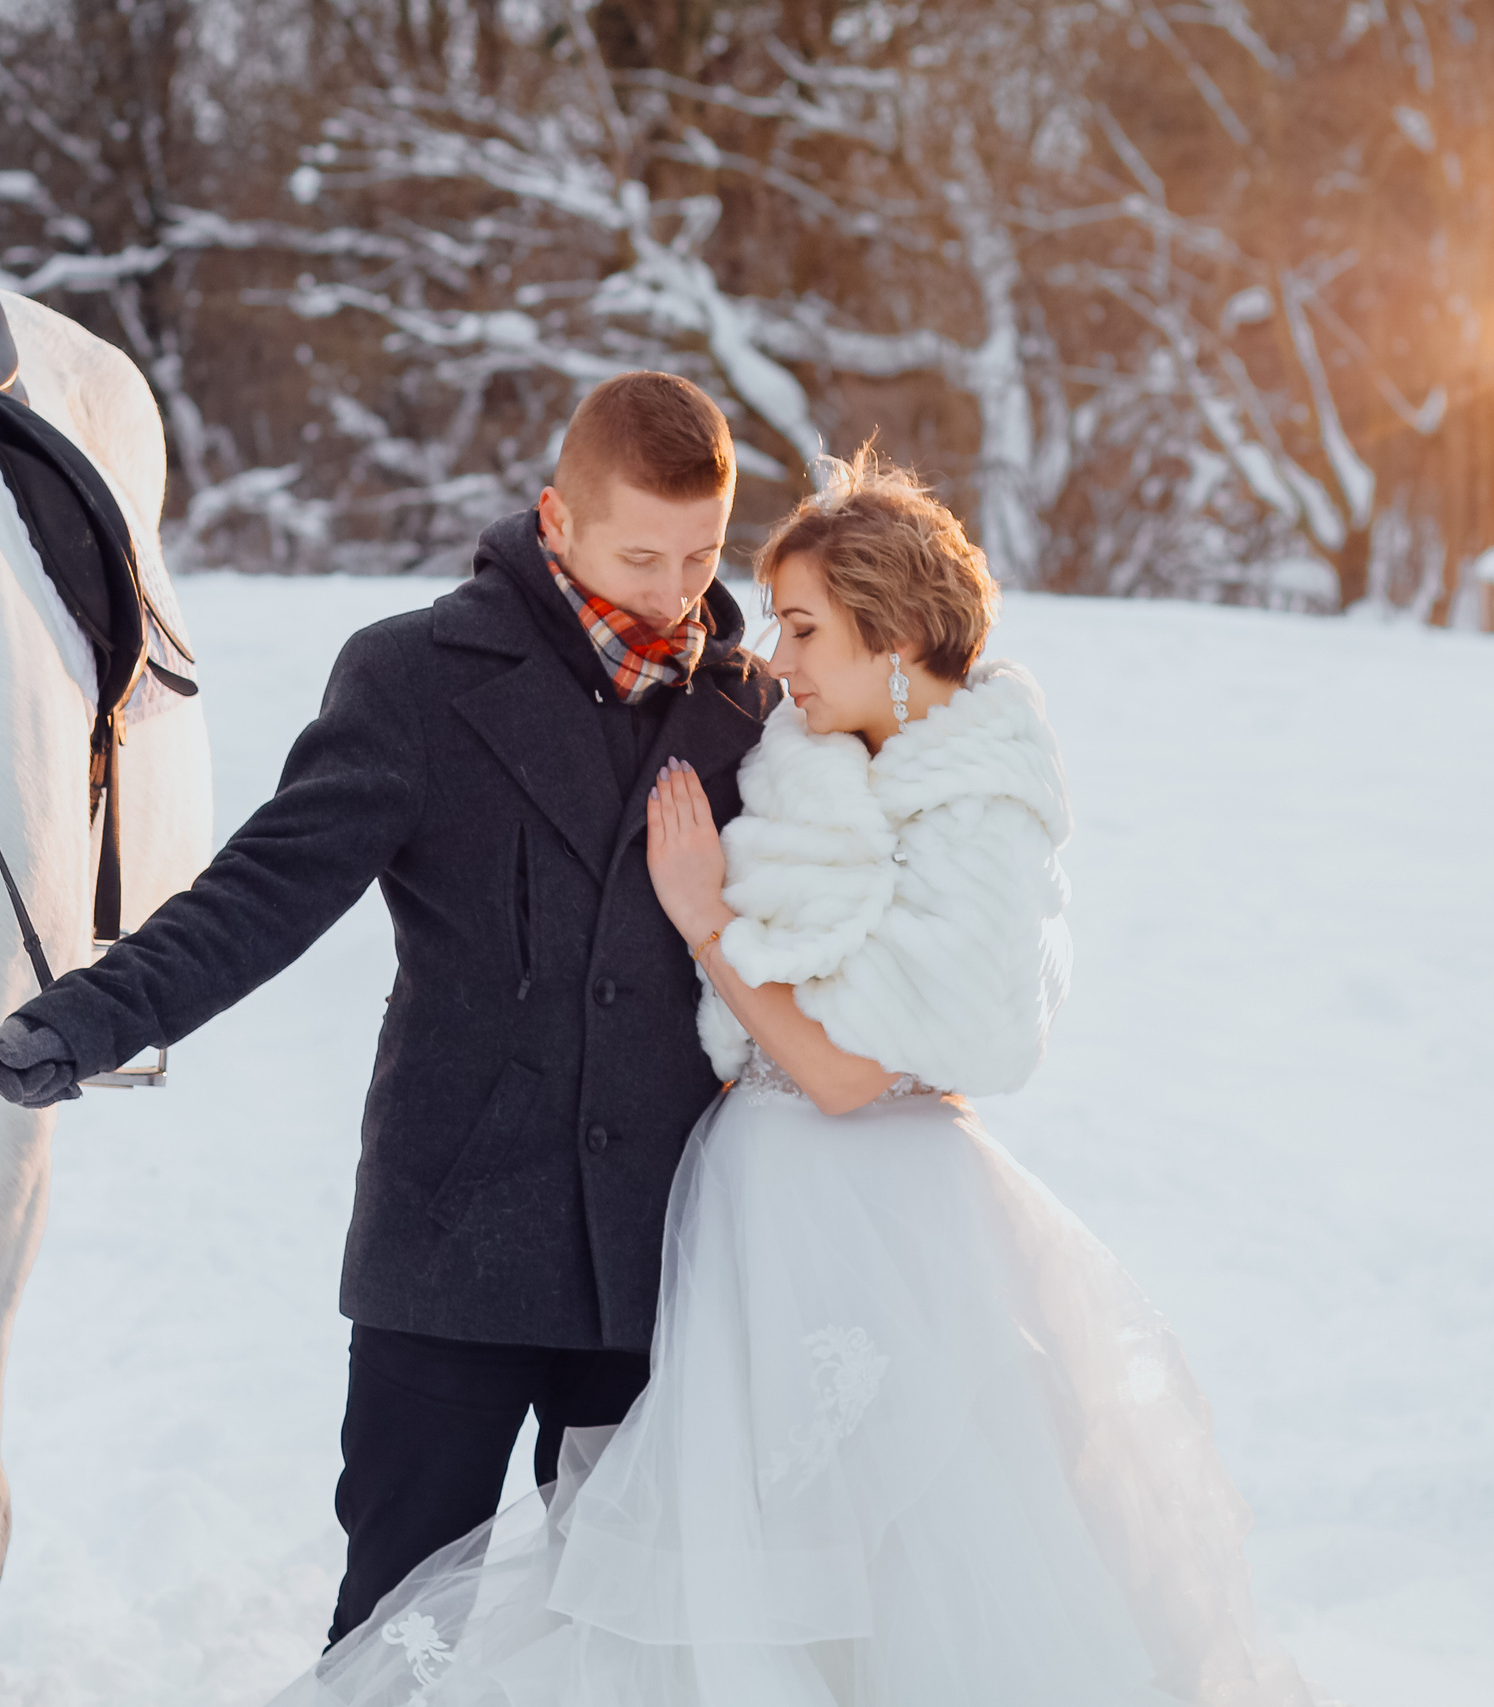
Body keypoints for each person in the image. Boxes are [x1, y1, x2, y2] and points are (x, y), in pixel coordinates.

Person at [268, 449, 1321, 1707]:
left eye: (807, 627)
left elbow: (835, 1071)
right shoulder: (817, 761)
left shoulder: (978, 807)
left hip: (857, 1228)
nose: (779, 656)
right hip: (746, 1223)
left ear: (894, 630)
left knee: (858, 1574)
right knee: (718, 1576)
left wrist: (706, 922)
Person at [0, 372, 779, 1640]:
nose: (677, 593)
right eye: (641, 555)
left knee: (631, 1635)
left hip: (660, 1254)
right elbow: (268, 886)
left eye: (702, 555)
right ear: (555, 521)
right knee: (401, 1630)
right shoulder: (414, 677)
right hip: (455, 1246)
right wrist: (92, 1016)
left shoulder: (749, 712)